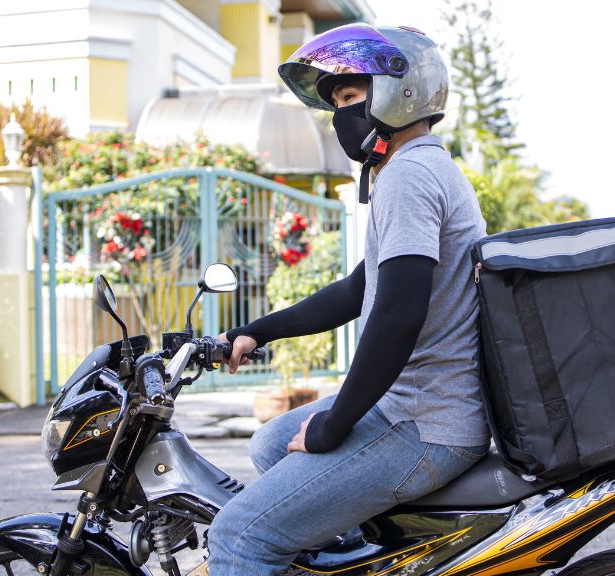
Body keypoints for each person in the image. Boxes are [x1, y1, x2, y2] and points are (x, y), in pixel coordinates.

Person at [207, 23, 490, 575]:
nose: (342, 114)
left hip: (423, 422)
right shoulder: (417, 170)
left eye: (350, 96)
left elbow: (399, 315)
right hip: (418, 408)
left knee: (239, 535)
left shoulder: (409, 175)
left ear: (400, 92)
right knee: (271, 444)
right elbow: (360, 291)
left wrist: (338, 421)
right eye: (337, 102)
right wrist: (258, 329)